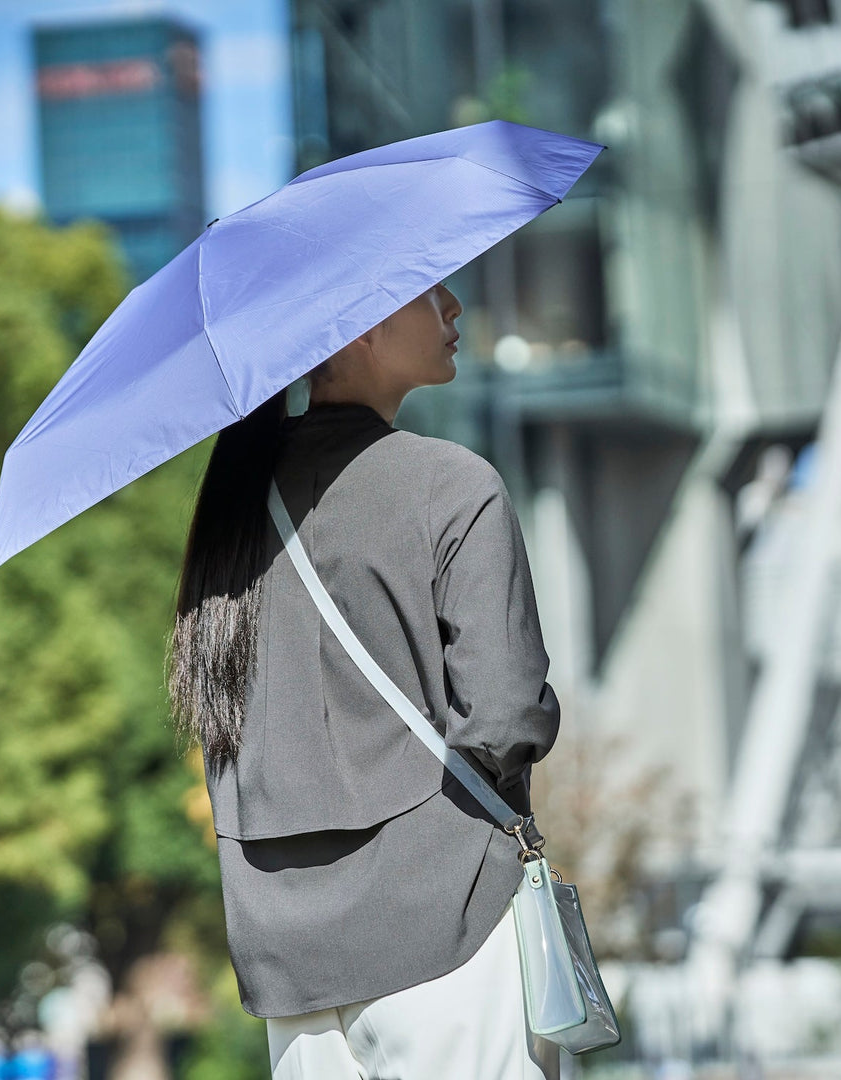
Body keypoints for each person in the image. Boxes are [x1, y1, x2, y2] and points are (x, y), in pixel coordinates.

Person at [167, 282, 562, 1078]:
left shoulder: (232, 508)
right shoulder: (452, 485)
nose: (456, 311)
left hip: (288, 952)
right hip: (441, 917)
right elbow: (504, 719)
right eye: (428, 293)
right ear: (354, 330)